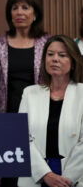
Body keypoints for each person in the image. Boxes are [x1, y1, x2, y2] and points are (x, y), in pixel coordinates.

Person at [0, 0, 49, 187]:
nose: (19, 12)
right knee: (7, 171)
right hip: (6, 115)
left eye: (25, 7)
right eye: (14, 8)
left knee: (34, 169)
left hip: (38, 115)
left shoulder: (47, 43)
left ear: (35, 14)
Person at [18, 35, 83, 187]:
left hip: (74, 179)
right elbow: (21, 136)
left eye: (62, 55)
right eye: (50, 54)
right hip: (35, 178)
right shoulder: (30, 93)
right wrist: (45, 174)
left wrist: (66, 180)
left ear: (72, 63)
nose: (55, 59)